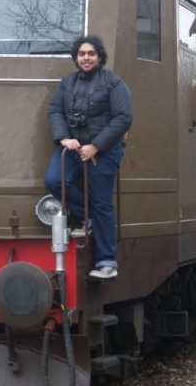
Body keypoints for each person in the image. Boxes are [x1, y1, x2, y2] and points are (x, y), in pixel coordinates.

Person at [44, 35, 133, 280]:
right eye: (82, 54)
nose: (86, 58)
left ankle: (106, 262)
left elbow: (123, 118)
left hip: (104, 151)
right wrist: (63, 138)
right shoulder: (66, 83)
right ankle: (88, 217)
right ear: (76, 57)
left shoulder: (114, 83)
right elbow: (55, 111)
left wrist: (95, 145)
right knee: (54, 180)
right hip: (72, 149)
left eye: (91, 53)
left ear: (99, 57)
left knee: (103, 202)